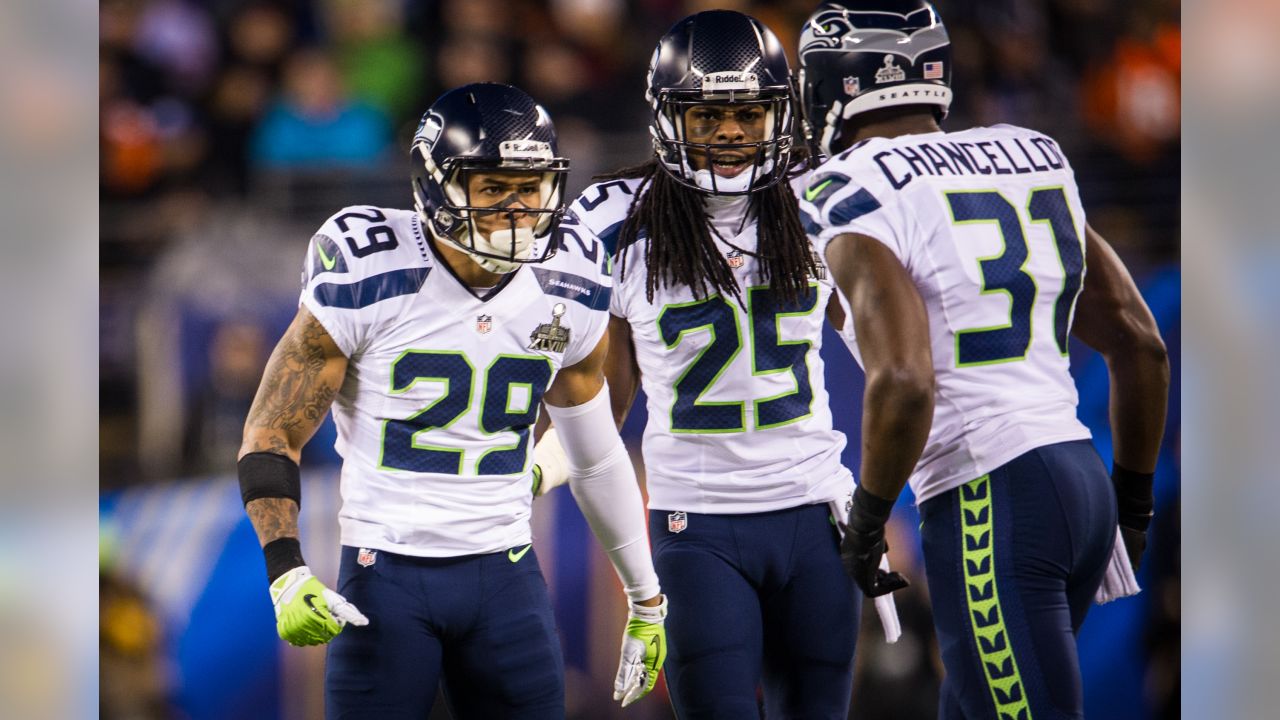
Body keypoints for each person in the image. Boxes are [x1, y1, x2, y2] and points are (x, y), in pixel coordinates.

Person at [235, 82, 667, 719]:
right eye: (493, 188)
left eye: (532, 187)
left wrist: (646, 597)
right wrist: (286, 572)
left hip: (506, 572)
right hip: (385, 575)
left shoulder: (570, 279)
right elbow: (271, 434)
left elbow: (597, 451)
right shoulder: (369, 267)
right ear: (436, 187)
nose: (518, 210)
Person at [796, 2, 1170, 718]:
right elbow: (1141, 345)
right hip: (1079, 475)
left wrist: (866, 525)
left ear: (836, 87)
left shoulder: (850, 189)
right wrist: (1133, 506)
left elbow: (904, 382)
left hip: (990, 496)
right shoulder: (1030, 152)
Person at [542, 11, 865, 719]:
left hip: (815, 512)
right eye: (707, 114)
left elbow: (885, 351)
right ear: (667, 119)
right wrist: (531, 468)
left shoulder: (821, 200)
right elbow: (598, 400)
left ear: (779, 115)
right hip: (699, 524)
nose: (729, 132)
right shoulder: (617, 223)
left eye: (749, 113)